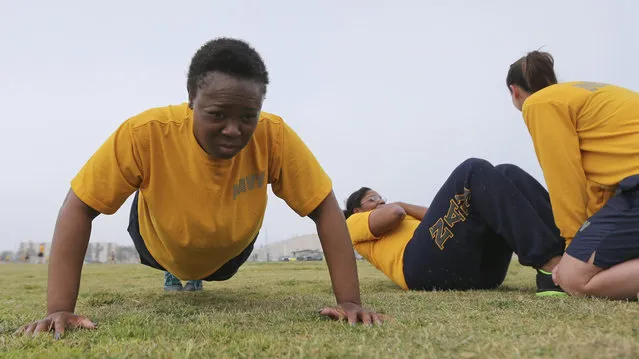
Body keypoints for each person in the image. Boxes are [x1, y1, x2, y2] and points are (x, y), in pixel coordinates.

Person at [16, 37, 382, 339]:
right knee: (155, 222)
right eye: (217, 114)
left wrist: (349, 301)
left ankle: (195, 273)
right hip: (158, 243)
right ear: (191, 100)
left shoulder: (275, 136)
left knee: (215, 266)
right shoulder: (145, 133)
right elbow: (79, 205)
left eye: (247, 116)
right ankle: (174, 270)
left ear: (260, 108)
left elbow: (325, 207)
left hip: (228, 256)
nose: (233, 129)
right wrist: (59, 309)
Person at [506, 50, 639, 300]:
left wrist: (572, 247)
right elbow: (598, 188)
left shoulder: (540, 103)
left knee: (573, 278)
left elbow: (565, 180)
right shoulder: (582, 94)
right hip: (631, 190)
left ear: (514, 91)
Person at [343, 158, 566, 294]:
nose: (381, 201)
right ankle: (549, 265)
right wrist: (398, 204)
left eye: (381, 196)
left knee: (506, 172)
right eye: (373, 199)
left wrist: (405, 207)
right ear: (357, 209)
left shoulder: (408, 220)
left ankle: (568, 257)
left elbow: (436, 214)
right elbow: (395, 212)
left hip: (481, 274)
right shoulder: (353, 224)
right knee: (472, 169)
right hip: (419, 270)